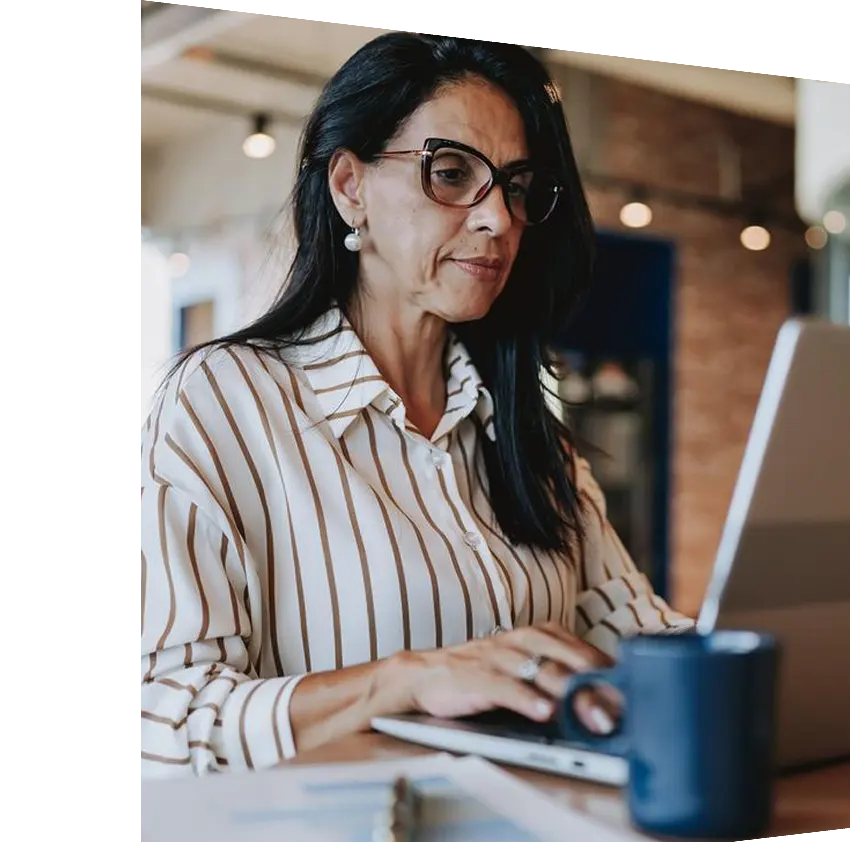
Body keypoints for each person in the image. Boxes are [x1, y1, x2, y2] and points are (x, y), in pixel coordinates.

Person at [136, 33, 694, 779]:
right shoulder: (224, 403)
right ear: (349, 187)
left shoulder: (531, 436)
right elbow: (164, 720)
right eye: (453, 173)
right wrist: (406, 681)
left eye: (517, 186)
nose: (499, 218)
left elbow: (646, 642)